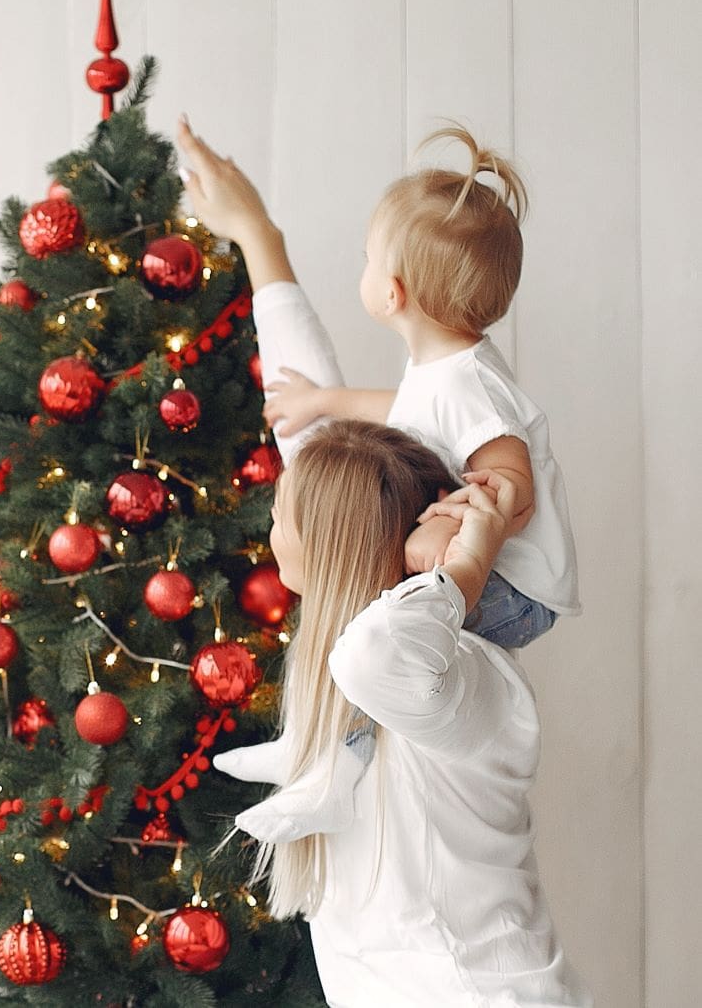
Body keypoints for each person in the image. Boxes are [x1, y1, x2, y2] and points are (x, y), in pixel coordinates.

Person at [173, 116, 580, 843]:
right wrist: (323, 402)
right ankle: (313, 746)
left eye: (365, 258)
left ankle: (330, 771)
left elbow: (509, 480)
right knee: (361, 603)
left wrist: (451, 531)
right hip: (497, 580)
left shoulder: (476, 391)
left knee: (368, 626)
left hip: (516, 594)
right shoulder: (447, 368)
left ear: (390, 293)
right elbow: (405, 409)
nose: (361, 268)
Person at [215, 420, 591, 1005]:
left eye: (279, 513)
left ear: (327, 539)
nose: (269, 526)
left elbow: (372, 657)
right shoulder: (381, 676)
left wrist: (464, 572)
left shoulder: (462, 673)